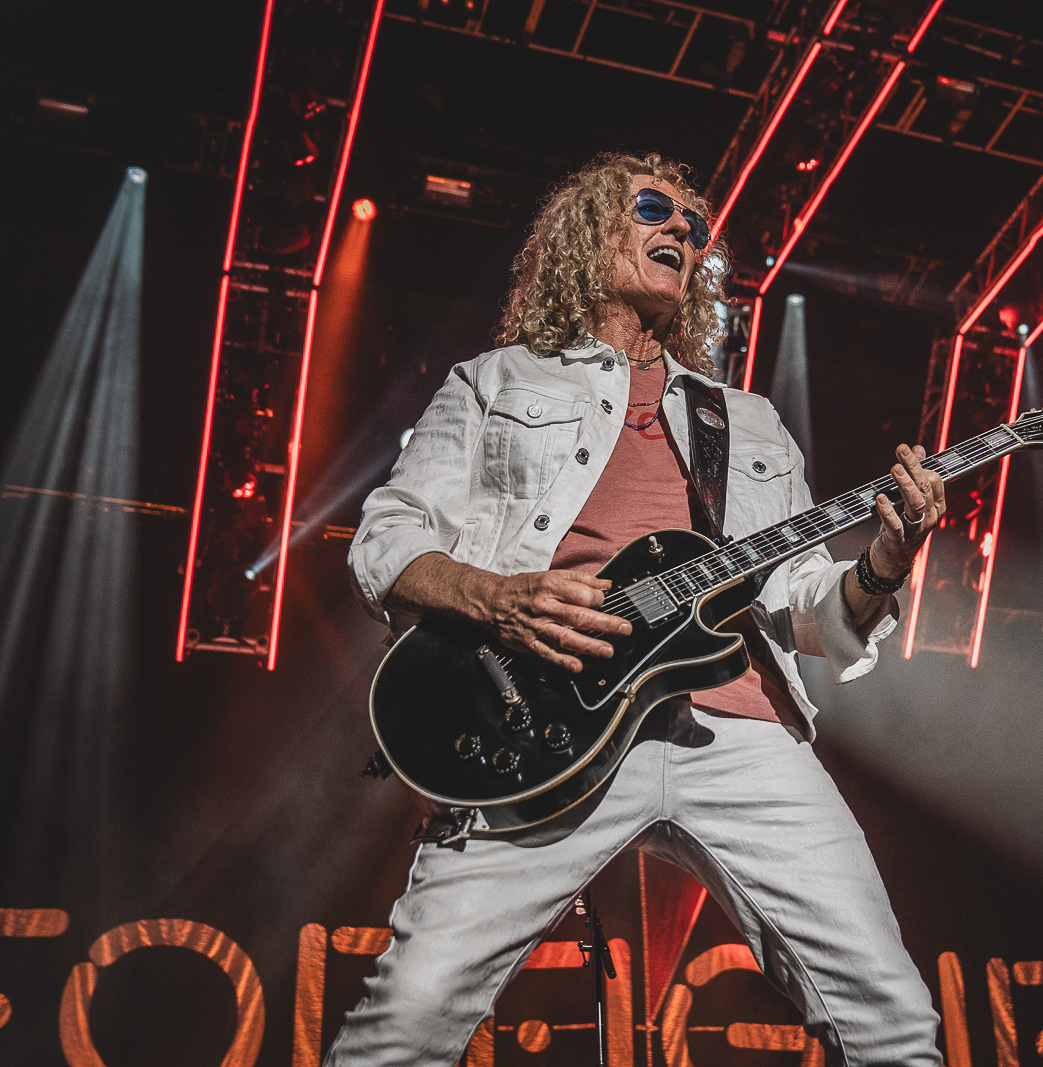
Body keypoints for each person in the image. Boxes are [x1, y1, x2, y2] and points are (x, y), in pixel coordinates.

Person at [332, 152, 948, 1066]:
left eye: (696, 229)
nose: (683, 233)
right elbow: (385, 539)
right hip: (543, 730)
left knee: (893, 1022)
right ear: (587, 233)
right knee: (408, 1022)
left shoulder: (751, 423)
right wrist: (500, 598)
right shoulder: (494, 381)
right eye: (655, 209)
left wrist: (888, 561)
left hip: (740, 730)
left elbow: (811, 609)